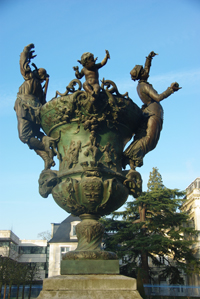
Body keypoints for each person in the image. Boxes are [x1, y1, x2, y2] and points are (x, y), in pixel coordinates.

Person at [123, 51, 181, 171]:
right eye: (143, 71)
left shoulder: (141, 84)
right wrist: (171, 89)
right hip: (153, 113)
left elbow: (147, 69)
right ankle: (131, 155)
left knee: (149, 140)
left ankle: (132, 157)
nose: (146, 72)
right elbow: (158, 97)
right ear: (140, 75)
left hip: (152, 112)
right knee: (149, 140)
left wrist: (149, 59)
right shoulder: (144, 86)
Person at [14, 43, 57, 170]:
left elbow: (22, 64)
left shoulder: (30, 78)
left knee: (25, 136)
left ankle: (46, 149)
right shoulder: (38, 86)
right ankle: (47, 156)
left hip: (25, 108)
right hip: (35, 110)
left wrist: (25, 52)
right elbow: (43, 103)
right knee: (35, 134)